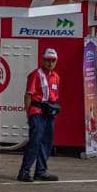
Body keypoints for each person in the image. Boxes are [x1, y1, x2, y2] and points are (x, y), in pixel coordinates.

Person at [19, 48, 61, 182]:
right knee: (35, 142)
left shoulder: (56, 77)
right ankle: (24, 172)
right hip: (37, 112)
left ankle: (41, 171)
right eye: (48, 60)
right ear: (43, 60)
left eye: (53, 61)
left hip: (49, 113)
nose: (50, 63)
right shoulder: (36, 75)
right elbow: (28, 95)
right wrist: (28, 114)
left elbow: (54, 96)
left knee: (47, 142)